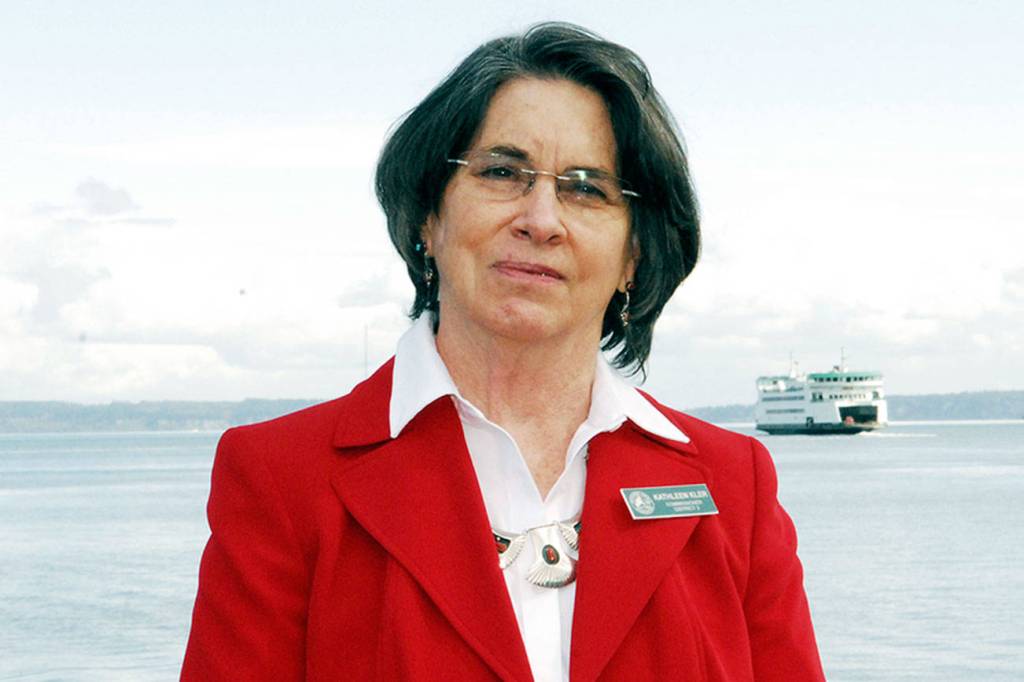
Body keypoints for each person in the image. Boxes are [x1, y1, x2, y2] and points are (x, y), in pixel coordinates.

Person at [181, 22, 824, 681]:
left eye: (587, 188)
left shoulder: (733, 486)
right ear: (428, 216)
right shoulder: (282, 479)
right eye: (501, 172)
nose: (541, 220)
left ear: (635, 253)